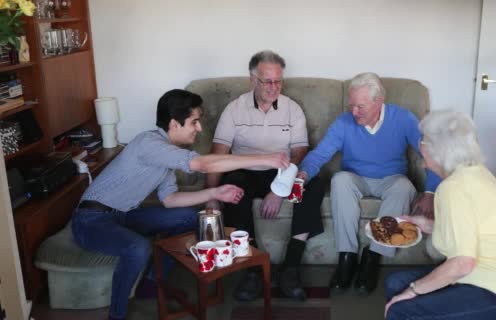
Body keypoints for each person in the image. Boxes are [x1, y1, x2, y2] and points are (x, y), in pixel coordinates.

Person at [71, 89, 289, 320]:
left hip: (126, 215)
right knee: (137, 248)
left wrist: (215, 192)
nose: (199, 128)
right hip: (91, 220)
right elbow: (203, 164)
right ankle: (117, 315)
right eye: (194, 122)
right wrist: (265, 158)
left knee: (189, 217)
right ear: (174, 123)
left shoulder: (166, 153)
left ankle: (152, 283)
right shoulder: (149, 143)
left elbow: (170, 199)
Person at [383, 110, 496, 320]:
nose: (420, 151)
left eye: (424, 143)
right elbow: (465, 231)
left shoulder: (453, 188)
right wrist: (424, 224)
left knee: (400, 310)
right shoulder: (475, 172)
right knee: (395, 283)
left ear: (440, 151)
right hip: (490, 279)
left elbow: (462, 263)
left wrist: (413, 291)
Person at [298, 72, 441, 294]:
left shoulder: (403, 118)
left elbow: (431, 153)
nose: (354, 112)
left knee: (405, 187)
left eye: (360, 107)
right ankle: (347, 256)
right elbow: (320, 154)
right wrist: (302, 175)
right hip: (355, 178)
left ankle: (372, 257)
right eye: (351, 105)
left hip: (392, 179)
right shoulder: (343, 122)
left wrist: (430, 192)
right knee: (339, 180)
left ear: (379, 101)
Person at [205, 50, 325, 301]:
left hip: (281, 172)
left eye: (278, 81)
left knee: (316, 184)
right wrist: (212, 197)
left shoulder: (292, 109)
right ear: (252, 81)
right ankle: (253, 270)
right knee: (232, 186)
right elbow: (218, 153)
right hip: (245, 171)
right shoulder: (234, 109)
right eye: (267, 81)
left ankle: (291, 267)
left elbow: (301, 150)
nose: (274, 87)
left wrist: (280, 189)